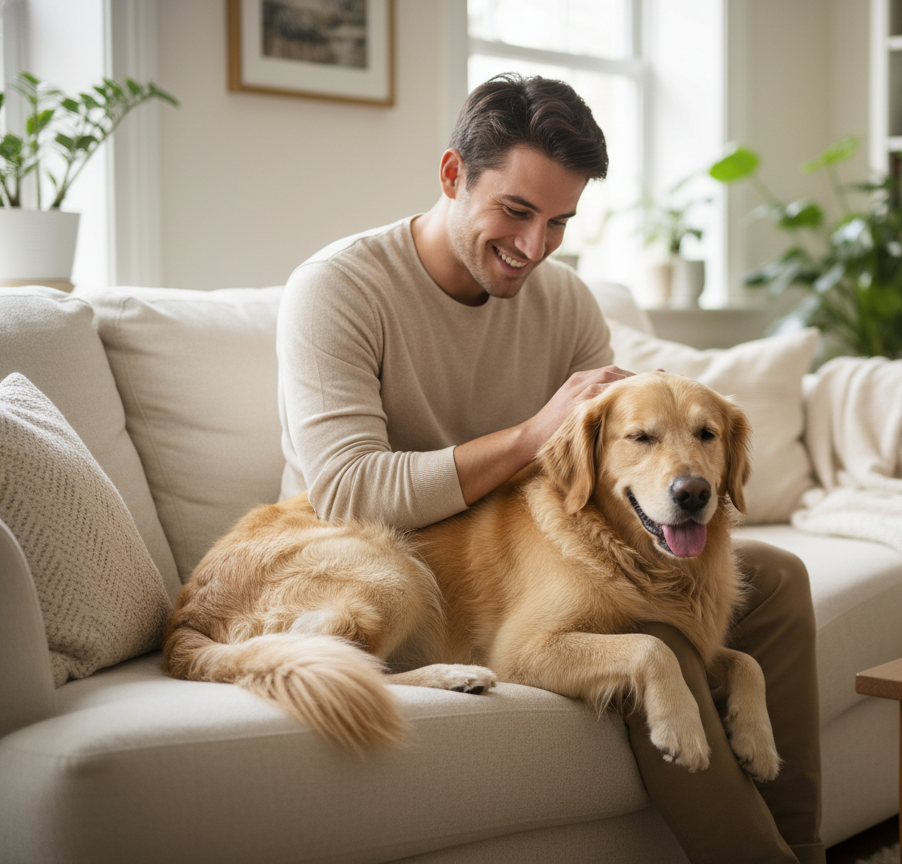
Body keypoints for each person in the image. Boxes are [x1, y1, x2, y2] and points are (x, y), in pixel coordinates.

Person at [277, 72, 823, 864]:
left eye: (560, 221)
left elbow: (607, 475)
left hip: (526, 544)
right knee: (644, 637)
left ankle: (804, 847)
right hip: (382, 554)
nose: (535, 247)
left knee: (773, 577)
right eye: (516, 212)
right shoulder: (339, 289)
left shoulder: (565, 303)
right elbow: (348, 491)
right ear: (452, 176)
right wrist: (532, 434)